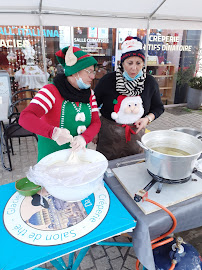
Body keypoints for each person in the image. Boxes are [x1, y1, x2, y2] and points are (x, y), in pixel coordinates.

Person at [19, 46, 101, 161]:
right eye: (89, 72)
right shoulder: (50, 91)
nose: (93, 76)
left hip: (77, 159)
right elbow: (25, 117)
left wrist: (84, 138)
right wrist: (53, 132)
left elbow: (96, 122)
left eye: (94, 72)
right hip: (51, 159)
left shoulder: (90, 94)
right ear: (74, 72)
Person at [94, 36, 164, 160]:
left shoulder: (149, 82)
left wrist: (147, 119)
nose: (134, 68)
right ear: (122, 62)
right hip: (108, 137)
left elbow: (158, 107)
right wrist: (93, 130)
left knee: (133, 168)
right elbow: (93, 105)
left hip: (135, 136)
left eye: (138, 63)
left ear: (143, 63)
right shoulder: (108, 80)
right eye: (129, 63)